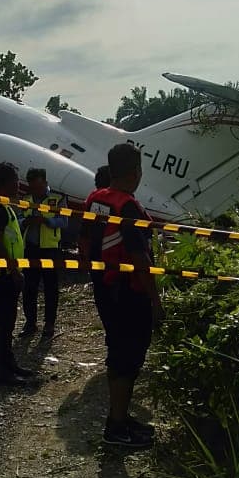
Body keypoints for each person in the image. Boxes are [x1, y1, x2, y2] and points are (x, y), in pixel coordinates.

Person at [78, 143, 164, 449]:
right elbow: (140, 258)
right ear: (135, 172)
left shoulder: (95, 199)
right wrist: (155, 300)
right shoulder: (127, 208)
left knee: (119, 351)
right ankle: (115, 427)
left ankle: (121, 419)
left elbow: (85, 239)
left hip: (105, 288)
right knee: (128, 356)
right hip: (129, 292)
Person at [0, 163, 35, 387]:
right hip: (3, 274)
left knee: (9, 321)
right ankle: (2, 370)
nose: (18, 184)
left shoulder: (5, 206)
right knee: (5, 323)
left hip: (7, 273)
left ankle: (8, 362)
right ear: (5, 182)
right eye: (15, 179)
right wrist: (13, 270)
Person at [20, 167, 68, 339]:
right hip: (30, 247)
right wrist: (26, 222)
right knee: (29, 287)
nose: (36, 190)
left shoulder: (58, 198)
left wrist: (46, 221)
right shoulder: (25, 199)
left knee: (50, 287)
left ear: (45, 183)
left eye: (39, 186)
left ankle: (49, 324)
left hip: (50, 249)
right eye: (33, 187)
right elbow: (17, 218)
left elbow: (64, 222)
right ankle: (30, 323)